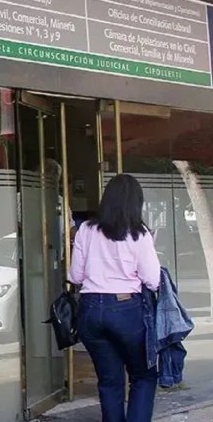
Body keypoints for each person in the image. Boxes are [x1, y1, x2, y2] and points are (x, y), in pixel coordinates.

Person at [69, 174, 161, 422]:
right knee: (143, 376)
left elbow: (75, 276)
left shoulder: (86, 230)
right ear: (136, 203)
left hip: (90, 310)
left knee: (109, 382)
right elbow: (153, 281)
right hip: (127, 309)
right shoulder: (139, 234)